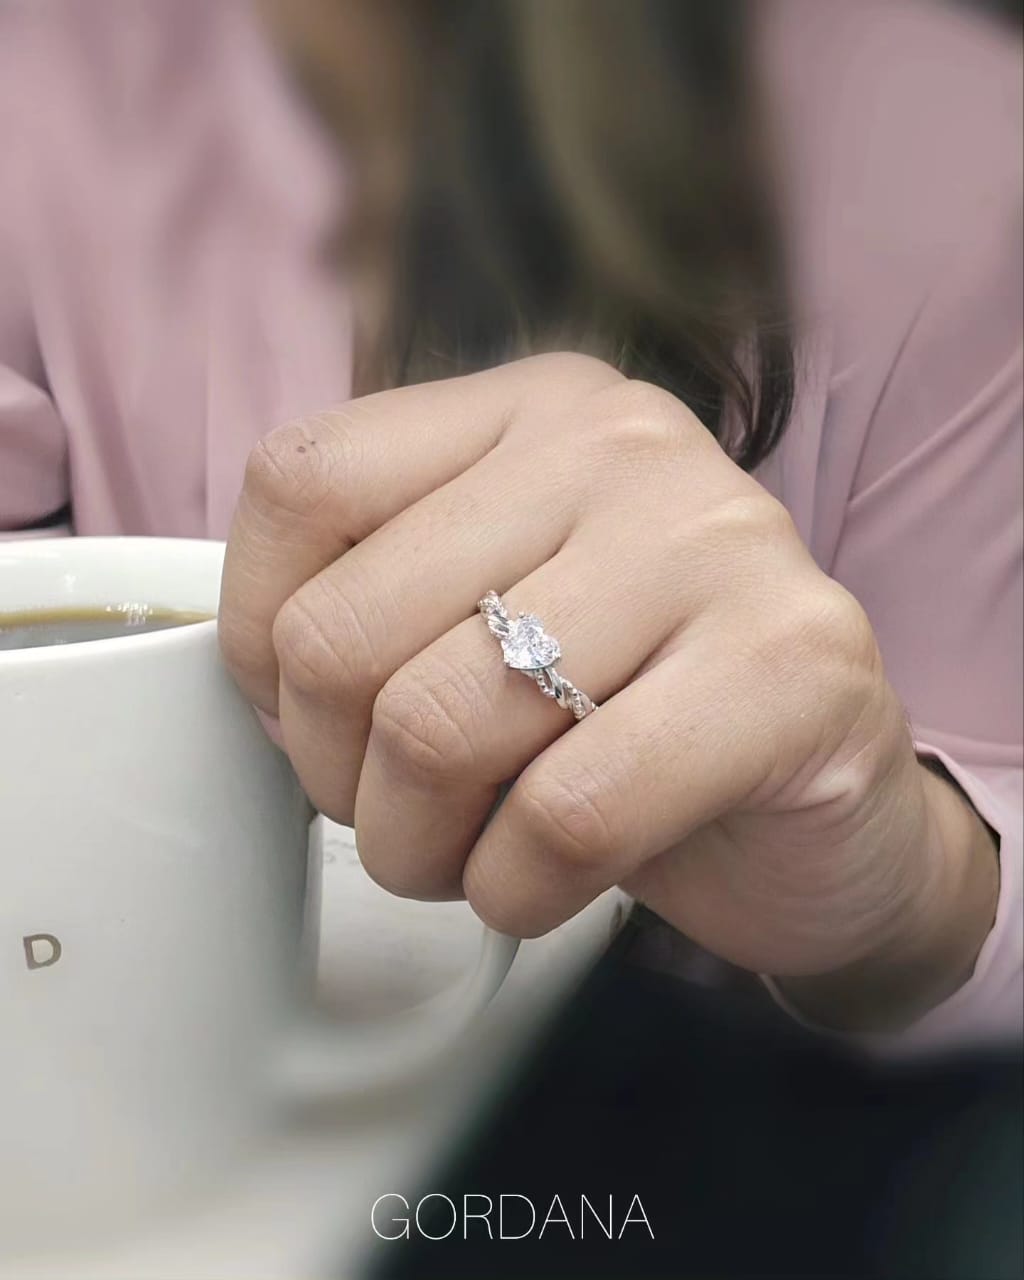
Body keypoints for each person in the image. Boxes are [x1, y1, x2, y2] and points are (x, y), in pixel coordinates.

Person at [1, 0, 1020, 1046]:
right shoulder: (47, 80)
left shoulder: (941, 144)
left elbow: (985, 847)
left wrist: (916, 885)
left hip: (707, 1138)